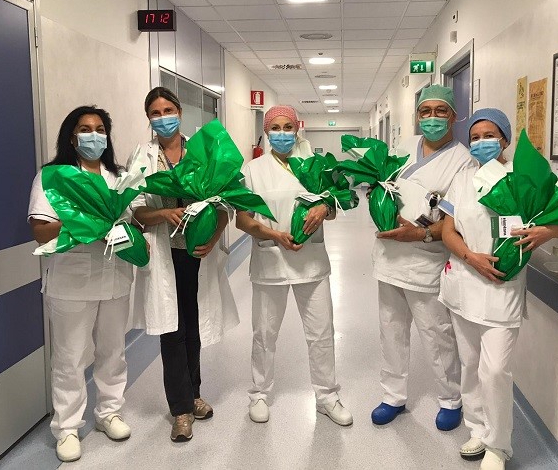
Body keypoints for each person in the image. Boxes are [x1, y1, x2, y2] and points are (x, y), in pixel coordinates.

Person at [440, 108, 558, 470]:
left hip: (502, 288)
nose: (481, 142)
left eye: (489, 135)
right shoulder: (462, 179)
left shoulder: (523, 177)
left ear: (505, 139)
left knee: (495, 370)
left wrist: (545, 232)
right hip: (464, 282)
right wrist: (471, 257)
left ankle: (498, 446)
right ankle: (477, 429)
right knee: (469, 364)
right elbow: (447, 230)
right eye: (475, 137)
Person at [129, 87, 238, 442]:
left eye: (168, 110)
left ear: (179, 111)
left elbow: (225, 204)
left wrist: (215, 235)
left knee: (193, 327)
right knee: (172, 330)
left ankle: (194, 394)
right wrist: (163, 213)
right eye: (155, 112)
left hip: (197, 253)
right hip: (165, 254)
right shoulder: (143, 157)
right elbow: (135, 210)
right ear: (149, 119)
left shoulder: (202, 152)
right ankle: (180, 410)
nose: (163, 117)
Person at [235, 105, 353, 426]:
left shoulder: (313, 165)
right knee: (264, 333)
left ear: (297, 130)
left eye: (288, 127)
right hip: (270, 261)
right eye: (276, 128)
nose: (283, 134)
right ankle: (259, 393)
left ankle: (327, 396)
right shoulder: (253, 170)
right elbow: (242, 220)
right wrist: (275, 235)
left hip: (311, 262)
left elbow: (334, 207)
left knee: (321, 332)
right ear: (266, 131)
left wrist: (324, 208)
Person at [28, 106, 132, 462]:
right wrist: (84, 221)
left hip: (115, 276)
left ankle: (109, 413)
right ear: (71, 137)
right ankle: (68, 427)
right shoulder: (54, 176)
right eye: (85, 129)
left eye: (100, 129)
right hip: (71, 283)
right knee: (70, 358)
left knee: (113, 351)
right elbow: (41, 230)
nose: (93, 135)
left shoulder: (119, 177)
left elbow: (131, 222)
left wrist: (131, 236)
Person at [370, 85, 474, 429]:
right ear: (417, 116)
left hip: (426, 260)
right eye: (425, 111)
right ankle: (393, 395)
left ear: (453, 116)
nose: (432, 118)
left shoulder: (464, 161)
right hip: (389, 257)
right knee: (391, 330)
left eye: (440, 111)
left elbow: (458, 218)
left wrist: (420, 233)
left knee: (436, 333)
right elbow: (382, 185)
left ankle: (450, 399)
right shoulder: (402, 148)